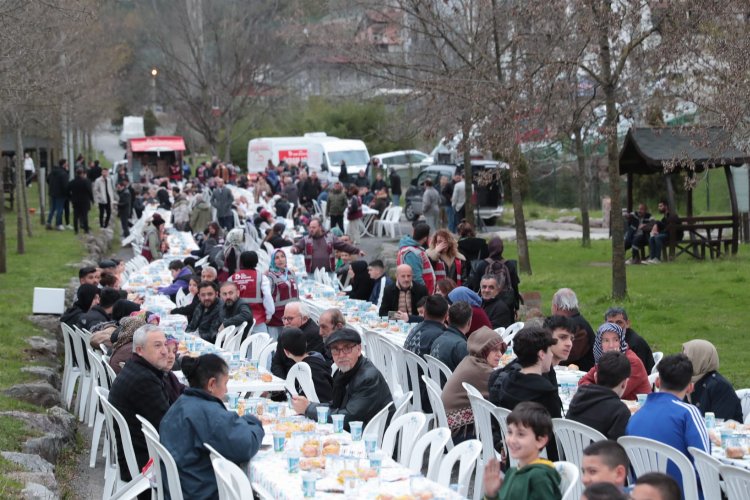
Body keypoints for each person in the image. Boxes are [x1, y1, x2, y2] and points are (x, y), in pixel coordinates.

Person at [159, 354, 265, 500]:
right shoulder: (208, 413)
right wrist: (254, 422)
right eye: (225, 383)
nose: (226, 390)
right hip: (201, 492)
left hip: (180, 488)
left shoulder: (181, 403)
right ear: (212, 384)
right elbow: (246, 444)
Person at [626, 354, 710, 495]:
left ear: (657, 382)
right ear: (690, 387)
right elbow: (705, 466)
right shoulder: (688, 413)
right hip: (684, 494)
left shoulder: (635, 417)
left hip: (642, 494)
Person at [291, 328, 393, 429]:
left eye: (347, 348)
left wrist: (308, 409)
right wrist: (308, 405)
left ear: (358, 350)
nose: (341, 355)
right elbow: (336, 406)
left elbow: (349, 417)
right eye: (335, 350)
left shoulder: (368, 378)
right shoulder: (344, 371)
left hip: (376, 438)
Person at [108, 325, 172, 480]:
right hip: (144, 466)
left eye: (165, 344)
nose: (165, 351)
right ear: (139, 350)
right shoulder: (144, 380)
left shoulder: (137, 368)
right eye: (157, 345)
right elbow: (169, 426)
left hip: (139, 455)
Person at [488, 326, 561, 460]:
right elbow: (557, 432)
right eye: (550, 351)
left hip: (512, 452)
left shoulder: (507, 381)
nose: (551, 355)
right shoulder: (546, 393)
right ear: (541, 354)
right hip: (540, 460)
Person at [482, 402, 562, 500]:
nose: (512, 439)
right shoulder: (512, 472)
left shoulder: (539, 477)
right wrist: (491, 494)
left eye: (521, 434)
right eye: (510, 432)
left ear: (540, 441)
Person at [442, 327, 505, 440]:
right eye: (495, 350)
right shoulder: (481, 370)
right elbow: (503, 394)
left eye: (501, 350)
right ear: (483, 349)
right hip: (457, 434)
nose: (500, 354)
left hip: (445, 428)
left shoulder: (470, 360)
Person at [566, 351, 633, 440]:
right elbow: (615, 449)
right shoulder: (620, 411)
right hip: (600, 453)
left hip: (570, 452)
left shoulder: (578, 397)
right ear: (624, 383)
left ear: (596, 377)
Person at [578, 322, 652, 401]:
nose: (611, 345)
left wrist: (592, 389)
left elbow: (615, 393)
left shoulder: (632, 362)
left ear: (621, 342)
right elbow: (582, 382)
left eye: (616, 340)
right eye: (606, 340)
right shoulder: (604, 360)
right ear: (600, 344)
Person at [682, 339, 743, 422]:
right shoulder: (687, 381)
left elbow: (720, 422)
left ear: (700, 359)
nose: (681, 362)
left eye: (686, 357)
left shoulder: (719, 386)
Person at [278, 327, 333, 403]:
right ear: (306, 344)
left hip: (319, 409)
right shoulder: (319, 361)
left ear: (286, 352)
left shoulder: (303, 370)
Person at [271, 302, 325, 378]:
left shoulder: (314, 334)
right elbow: (276, 362)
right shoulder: (287, 330)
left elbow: (305, 366)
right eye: (284, 318)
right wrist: (282, 382)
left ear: (304, 318)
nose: (286, 323)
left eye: (290, 319)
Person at [468, 237, 521, 314]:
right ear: (502, 249)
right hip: (507, 305)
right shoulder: (510, 265)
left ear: (489, 248)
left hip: (486, 305)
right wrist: (516, 307)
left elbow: (476, 288)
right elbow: (515, 287)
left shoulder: (482, 265)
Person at [291, 217, 362, 273]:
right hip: (312, 273)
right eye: (310, 227)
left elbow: (343, 246)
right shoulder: (306, 239)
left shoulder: (330, 237)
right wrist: (294, 249)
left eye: (314, 227)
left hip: (328, 272)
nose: (311, 230)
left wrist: (357, 251)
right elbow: (297, 246)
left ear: (320, 227)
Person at [551, 288, 596, 371]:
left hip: (581, 375)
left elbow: (568, 356)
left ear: (556, 307)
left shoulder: (578, 327)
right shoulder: (579, 323)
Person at [230, 251, 274, 333]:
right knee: (261, 344)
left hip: (237, 319)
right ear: (256, 262)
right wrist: (269, 314)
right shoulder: (261, 278)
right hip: (258, 320)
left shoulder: (232, 278)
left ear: (241, 262)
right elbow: (267, 296)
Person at [604, 307, 655, 374]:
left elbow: (637, 373)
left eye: (619, 323)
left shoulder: (636, 343)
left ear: (627, 323)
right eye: (610, 323)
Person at [265, 249, 299, 339]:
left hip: (292, 315)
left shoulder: (290, 272)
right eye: (276, 258)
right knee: (276, 345)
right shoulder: (270, 276)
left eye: (282, 256)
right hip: (276, 318)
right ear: (272, 260)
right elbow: (266, 297)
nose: (280, 260)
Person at [430, 301, 473, 372]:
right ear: (469, 322)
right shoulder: (461, 346)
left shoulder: (437, 339)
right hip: (450, 382)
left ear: (448, 319)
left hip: (434, 382)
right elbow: (469, 374)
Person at [397, 222, 435, 293]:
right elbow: (416, 277)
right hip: (420, 294)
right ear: (425, 238)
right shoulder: (413, 253)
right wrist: (424, 293)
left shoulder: (412, 249)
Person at [645, 199, 683, 264]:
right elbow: (664, 227)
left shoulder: (672, 215)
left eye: (661, 206)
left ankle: (657, 259)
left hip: (674, 236)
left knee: (657, 237)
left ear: (666, 206)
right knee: (652, 237)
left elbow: (669, 227)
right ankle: (652, 258)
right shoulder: (664, 217)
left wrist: (657, 226)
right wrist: (656, 229)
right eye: (659, 206)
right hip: (667, 234)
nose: (659, 208)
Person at [67, 167, 94, 235]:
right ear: (82, 173)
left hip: (75, 201)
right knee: (84, 215)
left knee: (76, 216)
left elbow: (67, 191)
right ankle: (86, 229)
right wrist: (92, 199)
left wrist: (71, 198)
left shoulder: (72, 182)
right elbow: (89, 191)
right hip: (84, 201)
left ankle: (76, 230)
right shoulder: (86, 181)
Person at [46, 159, 69, 230]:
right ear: (64, 164)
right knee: (60, 209)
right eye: (66, 163)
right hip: (60, 194)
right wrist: (67, 193)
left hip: (52, 192)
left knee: (53, 208)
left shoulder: (53, 172)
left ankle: (48, 222)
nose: (67, 165)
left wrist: (52, 186)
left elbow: (47, 179)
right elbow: (65, 185)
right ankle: (58, 224)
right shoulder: (63, 174)